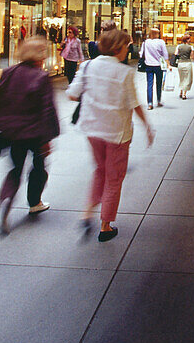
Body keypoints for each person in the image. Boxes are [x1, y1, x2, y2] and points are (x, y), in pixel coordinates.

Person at [66, 29, 154, 242]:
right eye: (127, 46)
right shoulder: (124, 73)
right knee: (114, 178)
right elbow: (134, 104)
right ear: (117, 48)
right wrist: (147, 127)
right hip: (117, 133)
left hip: (92, 129)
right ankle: (105, 225)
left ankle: (88, 212)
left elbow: (71, 94)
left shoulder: (87, 66)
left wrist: (95, 98)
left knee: (100, 170)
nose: (128, 49)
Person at [0, 37, 60, 234]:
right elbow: (46, 110)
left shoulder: (9, 72)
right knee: (39, 167)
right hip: (34, 133)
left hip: (11, 132)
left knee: (14, 170)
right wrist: (47, 138)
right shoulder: (41, 77)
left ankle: (4, 207)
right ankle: (34, 201)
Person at [141, 28, 169, 109]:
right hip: (158, 65)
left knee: (149, 84)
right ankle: (159, 100)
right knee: (158, 83)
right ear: (157, 34)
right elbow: (165, 54)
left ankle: (150, 103)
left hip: (148, 65)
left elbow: (141, 54)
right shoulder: (161, 42)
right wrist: (168, 64)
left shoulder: (146, 42)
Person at [175, 34, 194, 99]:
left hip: (180, 64)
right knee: (187, 79)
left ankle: (181, 92)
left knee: (182, 78)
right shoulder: (190, 47)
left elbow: (175, 54)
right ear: (187, 40)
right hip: (187, 63)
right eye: (189, 39)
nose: (190, 40)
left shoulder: (178, 46)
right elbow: (193, 56)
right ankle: (184, 94)